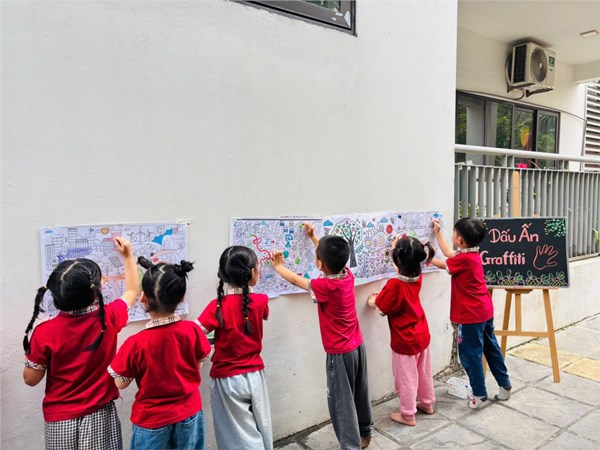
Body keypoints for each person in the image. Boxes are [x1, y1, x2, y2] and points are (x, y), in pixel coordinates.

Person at [23, 237, 138, 450]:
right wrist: (128, 256)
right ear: (97, 290)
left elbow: (30, 379)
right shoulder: (110, 317)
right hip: (100, 415)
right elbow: (132, 291)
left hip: (60, 421)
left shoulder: (44, 332)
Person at [271, 223, 373, 450]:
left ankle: (350, 446)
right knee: (360, 392)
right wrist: (314, 238)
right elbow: (330, 260)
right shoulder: (347, 275)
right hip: (358, 347)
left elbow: (297, 281)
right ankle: (365, 434)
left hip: (340, 354)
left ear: (320, 264)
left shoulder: (325, 286)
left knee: (341, 402)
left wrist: (278, 266)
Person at [109, 257, 211, 450]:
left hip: (152, 421)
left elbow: (120, 383)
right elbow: (199, 363)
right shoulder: (192, 330)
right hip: (189, 413)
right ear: (181, 297)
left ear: (143, 298)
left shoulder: (136, 343)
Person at [196, 246, 272, 450]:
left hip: (227, 379)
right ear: (253, 272)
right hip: (255, 375)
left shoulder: (217, 306)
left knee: (236, 437)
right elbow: (259, 314)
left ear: (223, 275)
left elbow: (194, 332)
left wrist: (204, 352)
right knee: (261, 426)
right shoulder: (261, 301)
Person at [431, 218, 512, 409]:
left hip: (471, 316)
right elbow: (449, 253)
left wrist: (425, 258)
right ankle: (504, 385)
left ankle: (479, 394)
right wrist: (437, 234)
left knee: (470, 355)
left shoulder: (463, 259)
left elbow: (444, 264)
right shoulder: (471, 253)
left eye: (453, 232)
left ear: (459, 240)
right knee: (491, 348)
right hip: (484, 310)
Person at [366, 236, 436, 426]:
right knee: (423, 372)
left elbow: (380, 306)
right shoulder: (417, 276)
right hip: (422, 334)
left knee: (406, 378)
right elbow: (402, 270)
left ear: (398, 259)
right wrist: (394, 248)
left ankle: (408, 414)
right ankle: (427, 403)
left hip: (404, 340)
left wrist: (371, 299)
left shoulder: (394, 285)